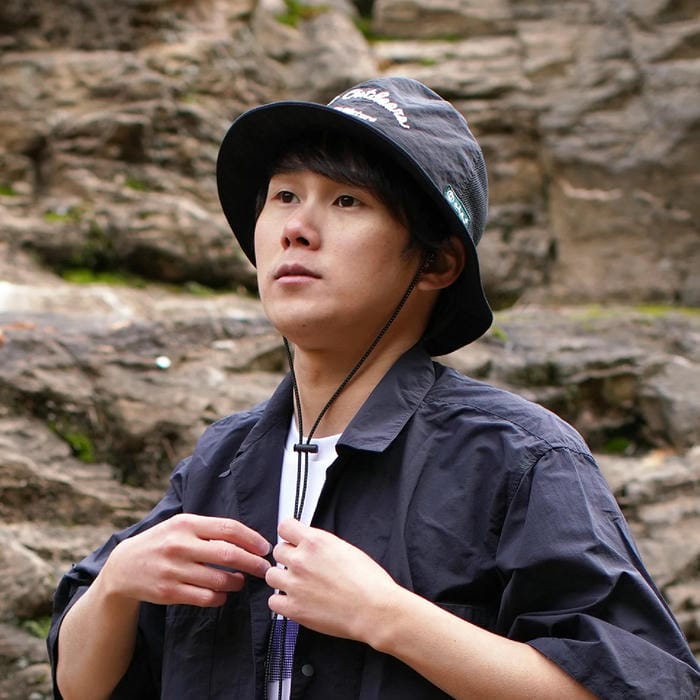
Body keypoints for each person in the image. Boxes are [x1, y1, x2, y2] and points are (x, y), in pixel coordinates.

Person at [48, 76, 700, 700]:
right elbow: (81, 685)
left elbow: (641, 685)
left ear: (436, 262)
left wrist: (387, 616)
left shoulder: (517, 456)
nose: (297, 228)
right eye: (284, 195)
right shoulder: (222, 460)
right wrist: (117, 584)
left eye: (347, 201)